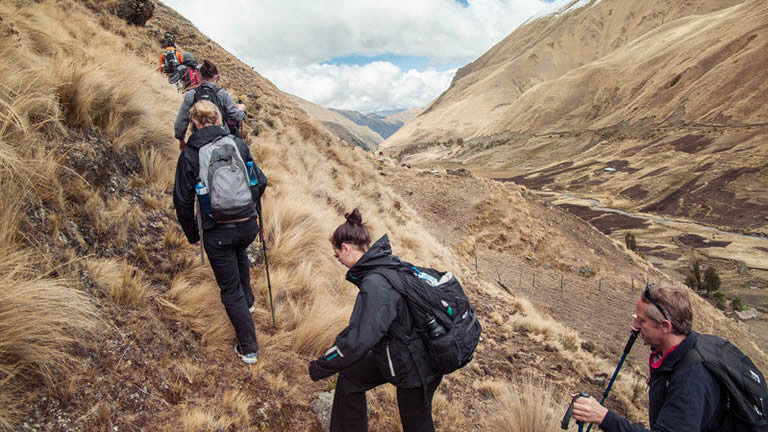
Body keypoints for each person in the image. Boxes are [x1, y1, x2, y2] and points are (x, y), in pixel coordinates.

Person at [308, 209, 443, 432]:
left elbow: (357, 340)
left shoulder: (375, 283)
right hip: (404, 351)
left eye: (337, 255)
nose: (338, 261)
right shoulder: (388, 264)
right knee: (351, 379)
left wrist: (320, 367)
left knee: (417, 423)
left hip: (417, 366)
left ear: (347, 248)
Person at [172, 100, 262, 364]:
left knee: (229, 289)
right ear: (218, 119)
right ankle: (249, 304)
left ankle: (249, 348)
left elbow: (182, 199)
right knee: (241, 254)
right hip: (247, 224)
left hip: (217, 230)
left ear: (195, 123)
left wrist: (192, 234)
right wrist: (252, 210)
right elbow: (260, 180)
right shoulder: (238, 144)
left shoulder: (191, 153)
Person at [571, 283, 724, 431]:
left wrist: (603, 417)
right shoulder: (680, 346)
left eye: (642, 320)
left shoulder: (691, 380)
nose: (635, 324)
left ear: (665, 327)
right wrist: (646, 329)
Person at [174, 60, 246, 151]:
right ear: (216, 76)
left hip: (199, 140)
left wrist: (181, 140)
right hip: (221, 139)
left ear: (200, 75)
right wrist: (241, 109)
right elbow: (236, 116)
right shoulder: (222, 94)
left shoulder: (191, 94)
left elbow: (180, 121)